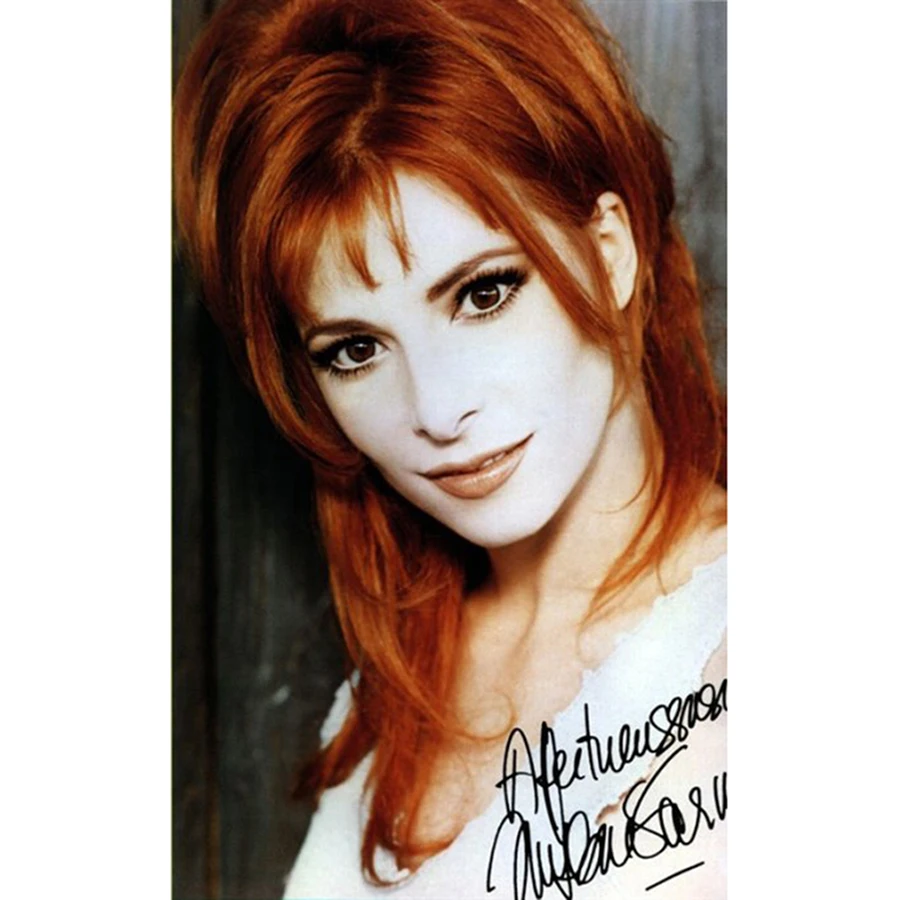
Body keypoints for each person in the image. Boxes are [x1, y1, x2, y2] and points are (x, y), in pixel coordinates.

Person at [173, 0, 727, 896]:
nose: (434, 410)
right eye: (355, 349)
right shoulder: (386, 692)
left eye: (482, 294)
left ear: (610, 252)